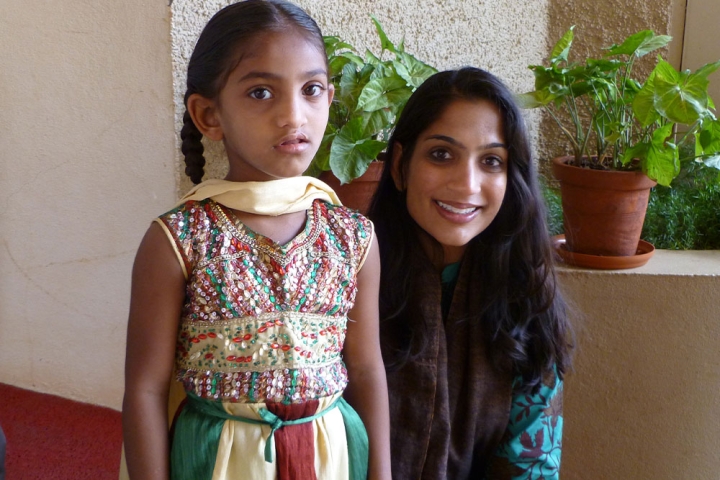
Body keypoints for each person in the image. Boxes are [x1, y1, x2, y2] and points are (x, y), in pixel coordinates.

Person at [121, 2, 391, 479]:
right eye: (261, 92)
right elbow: (145, 389)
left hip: (331, 457)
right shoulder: (179, 240)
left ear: (329, 98)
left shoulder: (353, 238)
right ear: (209, 115)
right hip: (219, 460)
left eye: (310, 90)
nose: (293, 115)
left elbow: (367, 371)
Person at [367, 67, 573, 479]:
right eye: (442, 154)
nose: (467, 184)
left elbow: (531, 466)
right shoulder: (345, 283)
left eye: (491, 161)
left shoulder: (526, 294)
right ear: (400, 167)